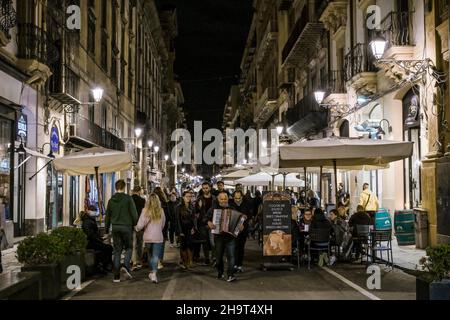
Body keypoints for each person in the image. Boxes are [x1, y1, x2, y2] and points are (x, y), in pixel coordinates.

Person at [105, 180, 138, 283]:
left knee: (117, 251)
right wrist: (136, 224)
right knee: (128, 248)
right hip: (127, 227)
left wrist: (106, 229)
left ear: (115, 188)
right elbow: (134, 214)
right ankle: (126, 268)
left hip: (115, 228)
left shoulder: (111, 200)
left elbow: (107, 217)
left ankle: (116, 276)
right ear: (124, 187)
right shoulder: (128, 199)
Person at [207, 192, 240, 282]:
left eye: (225, 198)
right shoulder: (213, 209)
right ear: (218, 200)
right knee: (218, 257)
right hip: (219, 236)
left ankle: (230, 274)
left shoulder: (232, 209)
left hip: (230, 237)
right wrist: (209, 223)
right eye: (221, 199)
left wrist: (240, 226)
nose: (223, 200)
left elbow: (239, 221)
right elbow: (205, 218)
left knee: (231, 256)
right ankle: (220, 272)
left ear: (227, 199)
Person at [135, 193, 166, 284]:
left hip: (148, 236)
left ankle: (152, 271)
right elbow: (163, 224)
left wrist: (136, 228)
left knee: (150, 255)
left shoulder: (145, 210)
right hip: (158, 236)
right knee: (156, 256)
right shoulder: (161, 211)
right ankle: (154, 273)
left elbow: (141, 224)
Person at [80, 209, 113, 273]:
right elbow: (90, 234)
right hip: (91, 243)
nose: (95, 213)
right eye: (94, 211)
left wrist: (100, 239)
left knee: (107, 248)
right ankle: (106, 265)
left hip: (93, 241)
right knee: (108, 248)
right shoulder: (88, 222)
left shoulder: (89, 220)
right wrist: (99, 239)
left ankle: (105, 264)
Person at [229, 190, 252, 273]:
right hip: (233, 229)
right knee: (234, 247)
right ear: (233, 197)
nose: (237, 200)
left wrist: (247, 217)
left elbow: (250, 214)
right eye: (235, 198)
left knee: (241, 248)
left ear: (242, 197)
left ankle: (239, 265)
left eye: (239, 198)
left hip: (243, 229)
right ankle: (234, 264)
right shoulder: (230, 204)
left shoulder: (246, 204)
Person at [194, 182, 215, 265]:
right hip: (202, 223)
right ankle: (207, 258)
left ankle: (214, 258)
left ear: (210, 188)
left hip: (213, 222)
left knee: (213, 242)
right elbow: (197, 212)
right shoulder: (199, 199)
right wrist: (199, 206)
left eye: (206, 188)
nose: (205, 189)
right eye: (203, 188)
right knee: (205, 242)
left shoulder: (214, 198)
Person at [175, 191, 196, 269]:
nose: (189, 198)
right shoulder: (178, 207)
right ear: (183, 197)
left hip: (190, 229)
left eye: (190, 196)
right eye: (187, 196)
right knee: (183, 246)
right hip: (182, 229)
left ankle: (190, 261)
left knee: (190, 245)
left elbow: (194, 218)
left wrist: (194, 228)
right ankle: (185, 261)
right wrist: (179, 231)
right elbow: (177, 220)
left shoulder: (192, 206)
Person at [154, 187, 169, 270]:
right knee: (161, 242)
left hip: (153, 227)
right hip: (163, 226)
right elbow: (168, 216)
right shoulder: (164, 203)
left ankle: (155, 259)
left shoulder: (151, 204)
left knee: (154, 243)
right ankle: (160, 259)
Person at [131, 186, 146, 271]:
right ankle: (139, 260)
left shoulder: (129, 199)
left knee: (133, 244)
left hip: (131, 224)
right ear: (139, 191)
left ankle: (134, 262)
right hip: (140, 224)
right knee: (139, 243)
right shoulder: (142, 200)